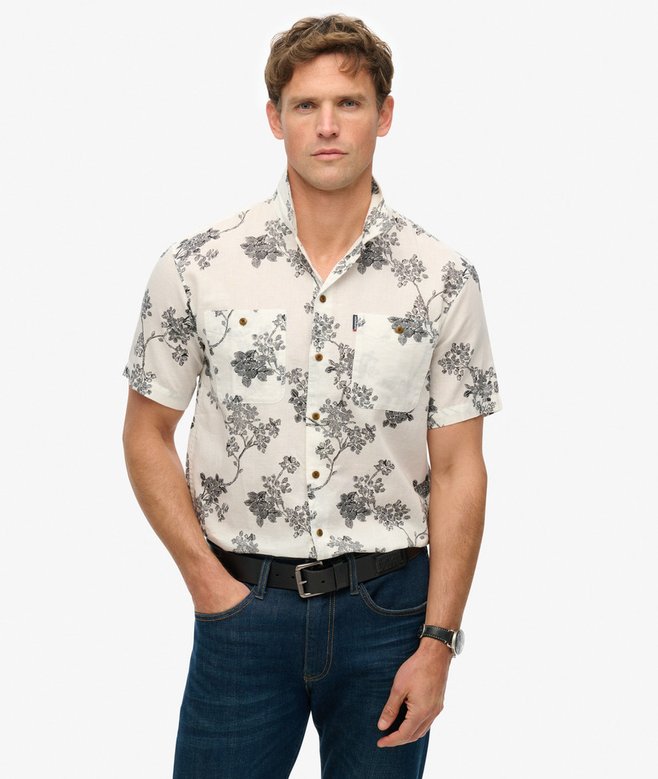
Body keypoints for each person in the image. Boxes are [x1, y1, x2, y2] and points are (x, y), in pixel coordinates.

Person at [122, 13, 503, 779]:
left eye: (349, 103)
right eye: (306, 105)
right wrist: (208, 583)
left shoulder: (442, 278)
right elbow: (145, 432)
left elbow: (460, 466)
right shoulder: (197, 265)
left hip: (389, 618)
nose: (327, 125)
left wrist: (439, 641)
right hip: (241, 609)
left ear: (384, 115)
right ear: (275, 119)